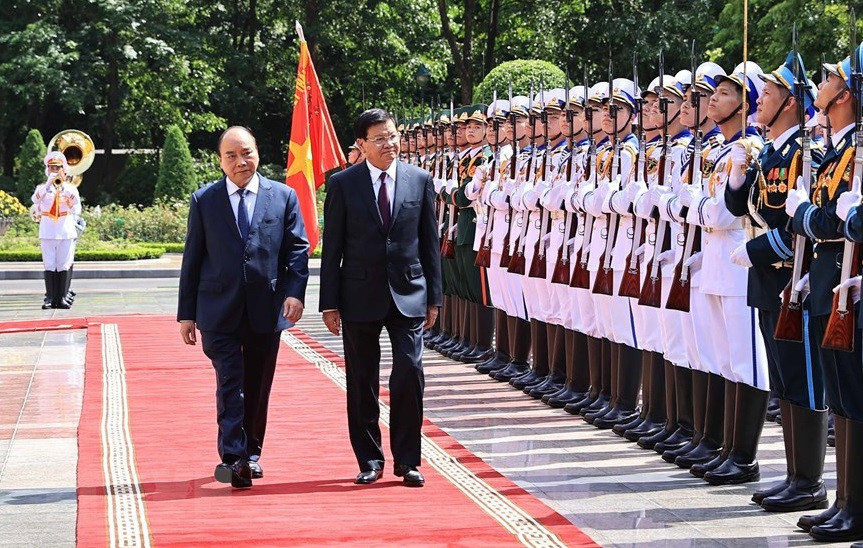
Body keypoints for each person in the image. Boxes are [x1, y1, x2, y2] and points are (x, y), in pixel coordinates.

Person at [177, 126, 310, 490]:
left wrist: (295, 293)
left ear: (258, 153)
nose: (241, 162)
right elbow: (193, 258)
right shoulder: (205, 200)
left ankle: (251, 453)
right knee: (230, 382)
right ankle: (233, 457)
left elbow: (297, 250)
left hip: (266, 310)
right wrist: (186, 313)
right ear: (220, 161)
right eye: (231, 156)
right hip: (217, 310)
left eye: (246, 153)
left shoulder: (282, 196)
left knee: (257, 385)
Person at [319, 108, 442, 487]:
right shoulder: (342, 184)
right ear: (361, 144)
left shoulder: (419, 180)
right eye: (379, 139)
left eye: (392, 136)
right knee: (362, 380)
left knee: (409, 372)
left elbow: (429, 242)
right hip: (358, 294)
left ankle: (408, 461)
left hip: (409, 292)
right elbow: (332, 247)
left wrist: (434, 298)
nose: (389, 144)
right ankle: (370, 459)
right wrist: (329, 301)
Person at [32, 151, 80, 310]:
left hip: (65, 229)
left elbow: (76, 204)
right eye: (52, 167)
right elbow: (35, 200)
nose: (55, 170)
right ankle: (50, 298)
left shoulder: (70, 188)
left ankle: (62, 298)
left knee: (63, 264)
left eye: (58, 167)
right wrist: (48, 185)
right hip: (48, 230)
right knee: (49, 264)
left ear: (63, 169)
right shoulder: (42, 188)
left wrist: (63, 188)